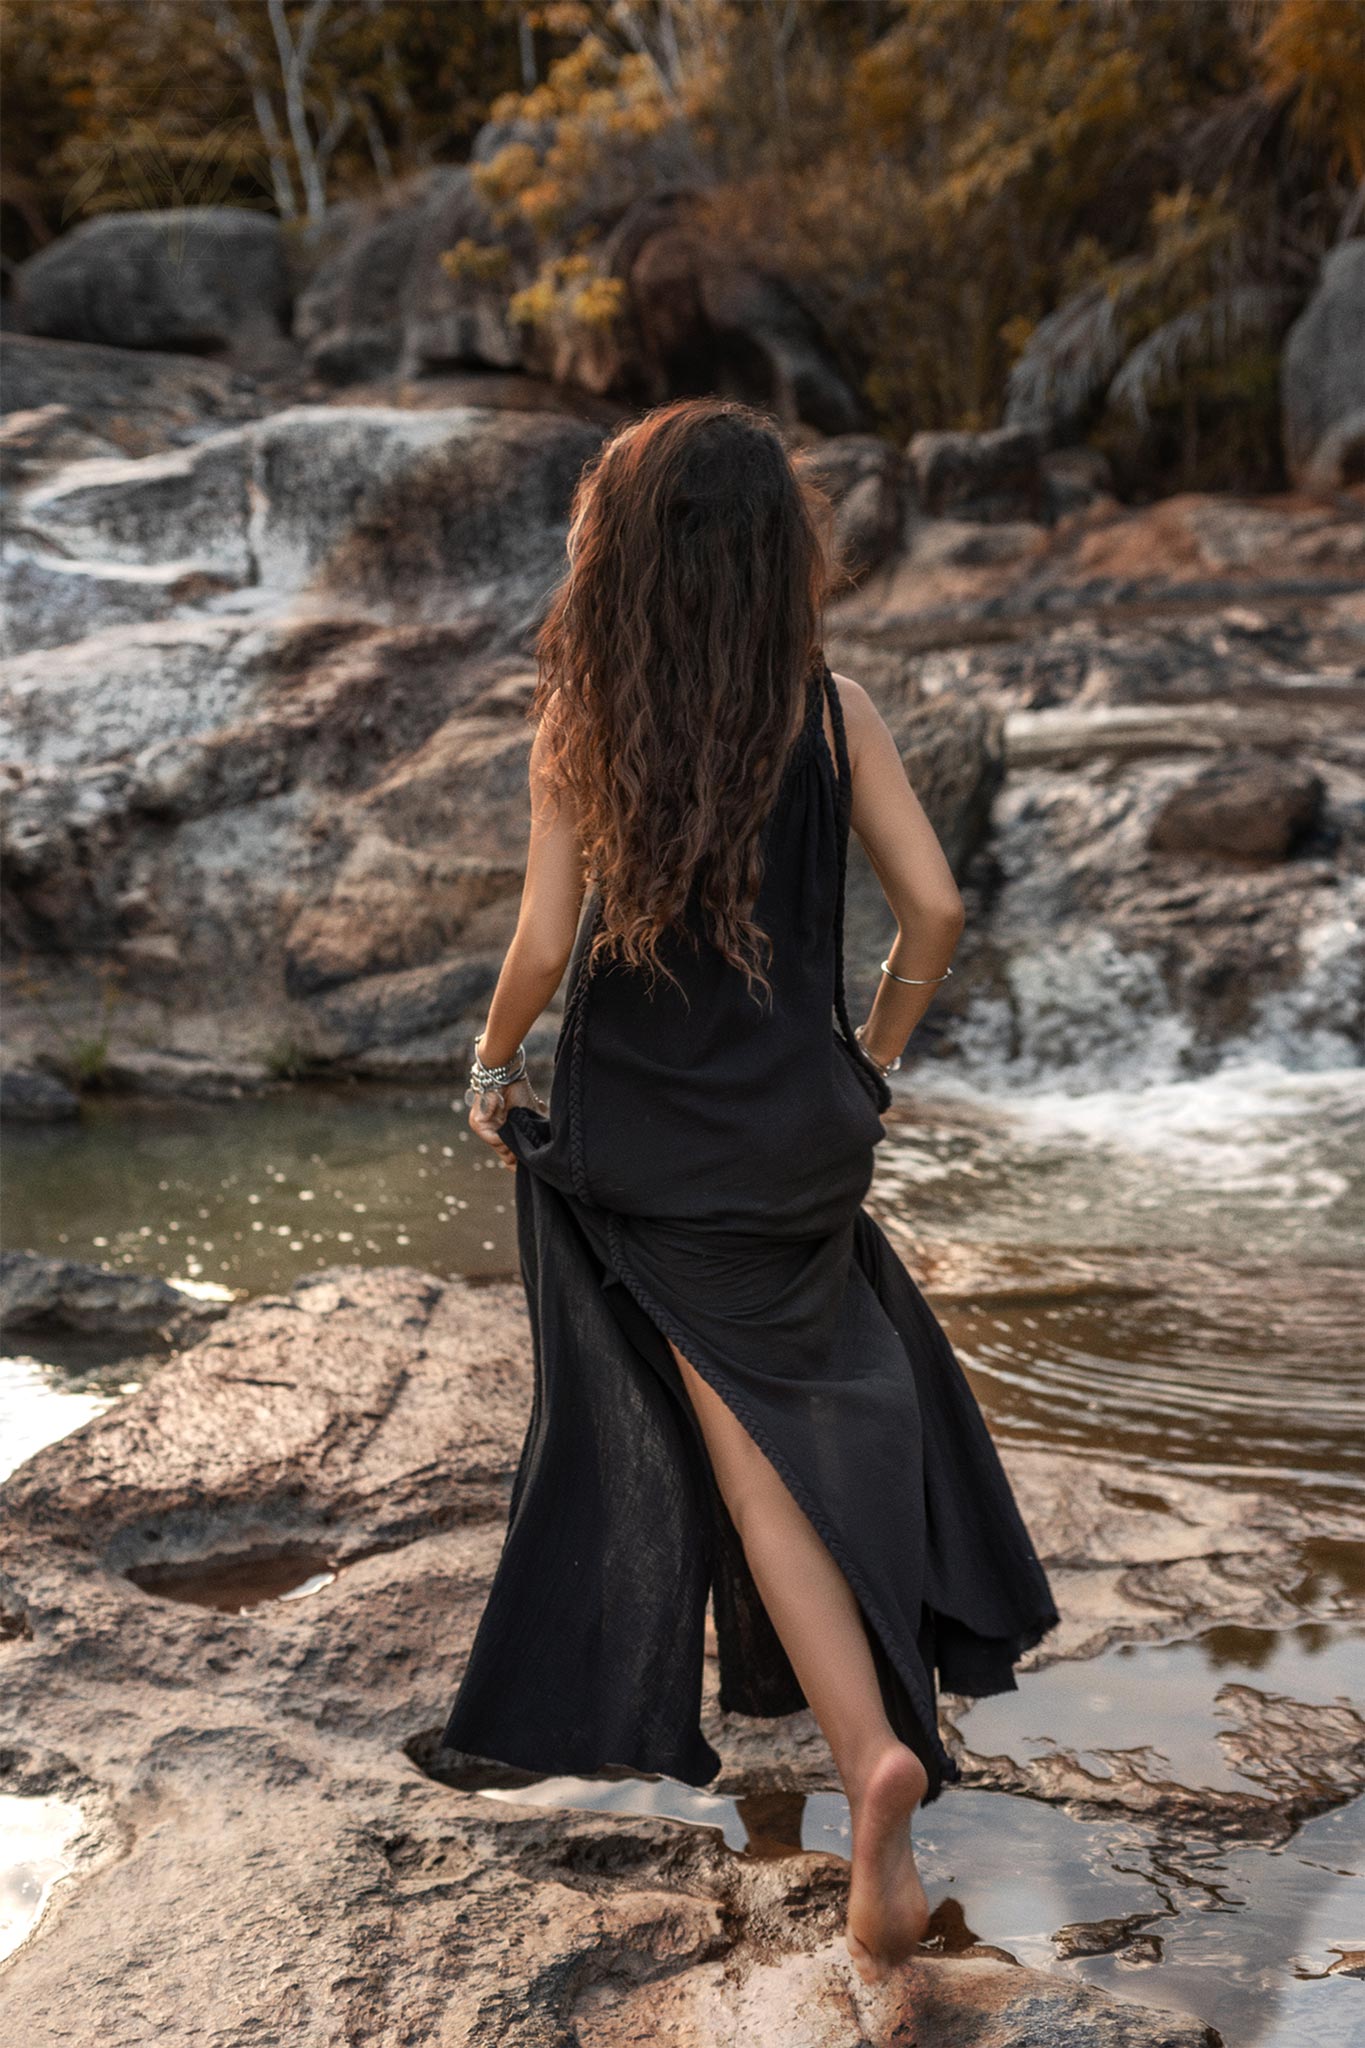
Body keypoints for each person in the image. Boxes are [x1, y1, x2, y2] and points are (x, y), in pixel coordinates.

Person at [442, 396, 1058, 1985]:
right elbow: (931, 905)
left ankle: (869, 1765)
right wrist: (873, 1045)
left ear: (625, 558)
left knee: (755, 1450)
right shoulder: (832, 709)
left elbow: (536, 949)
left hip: (647, 1147)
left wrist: (489, 1065)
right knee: (799, 1407)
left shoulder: (585, 722)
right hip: (798, 1134)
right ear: (781, 553)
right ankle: (823, 1739)